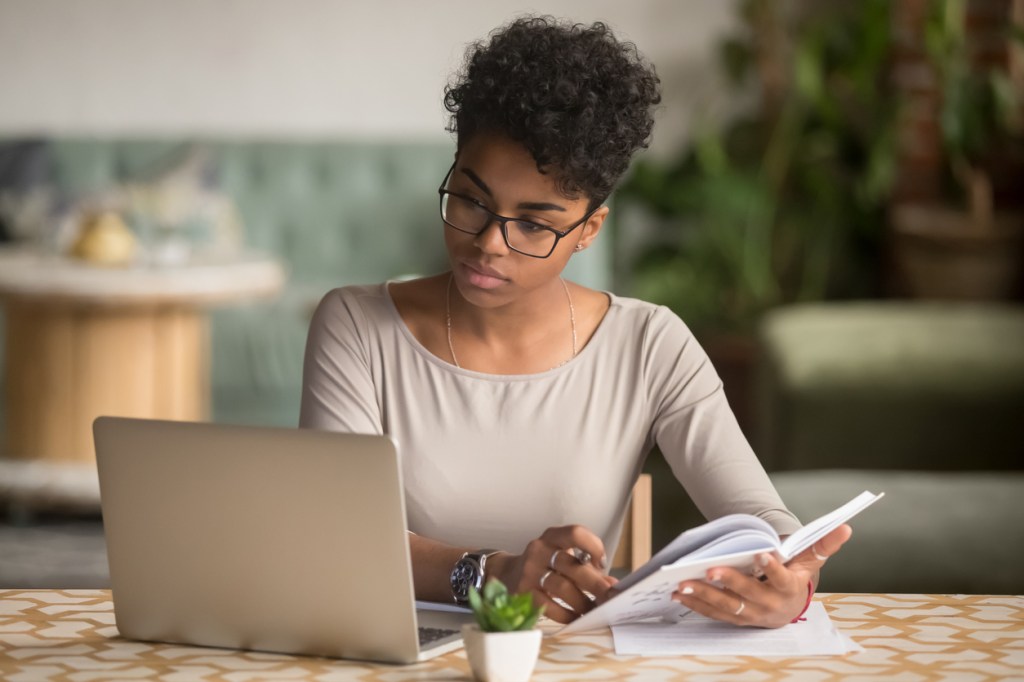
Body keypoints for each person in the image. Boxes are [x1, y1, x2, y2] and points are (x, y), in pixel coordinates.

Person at [300, 15, 851, 628]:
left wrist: (790, 580)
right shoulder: (355, 326)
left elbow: (758, 514)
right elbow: (336, 534)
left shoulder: (649, 344)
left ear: (589, 229)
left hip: (574, 661)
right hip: (397, 657)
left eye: (534, 223)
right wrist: (491, 574)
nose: (489, 243)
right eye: (470, 199)